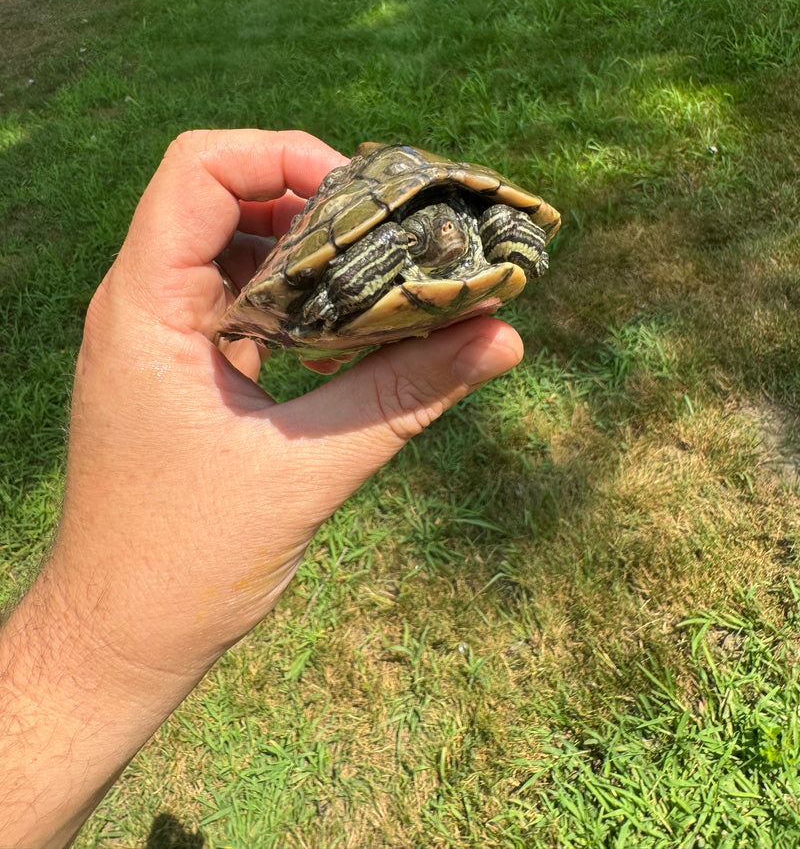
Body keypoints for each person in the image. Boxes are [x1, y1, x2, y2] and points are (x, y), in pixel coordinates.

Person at [0, 129, 524, 848]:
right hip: (347, 276)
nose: (438, 236)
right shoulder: (394, 244)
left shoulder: (464, 228)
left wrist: (503, 240)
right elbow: (348, 275)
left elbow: (516, 229)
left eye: (443, 230)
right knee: (366, 264)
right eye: (422, 232)